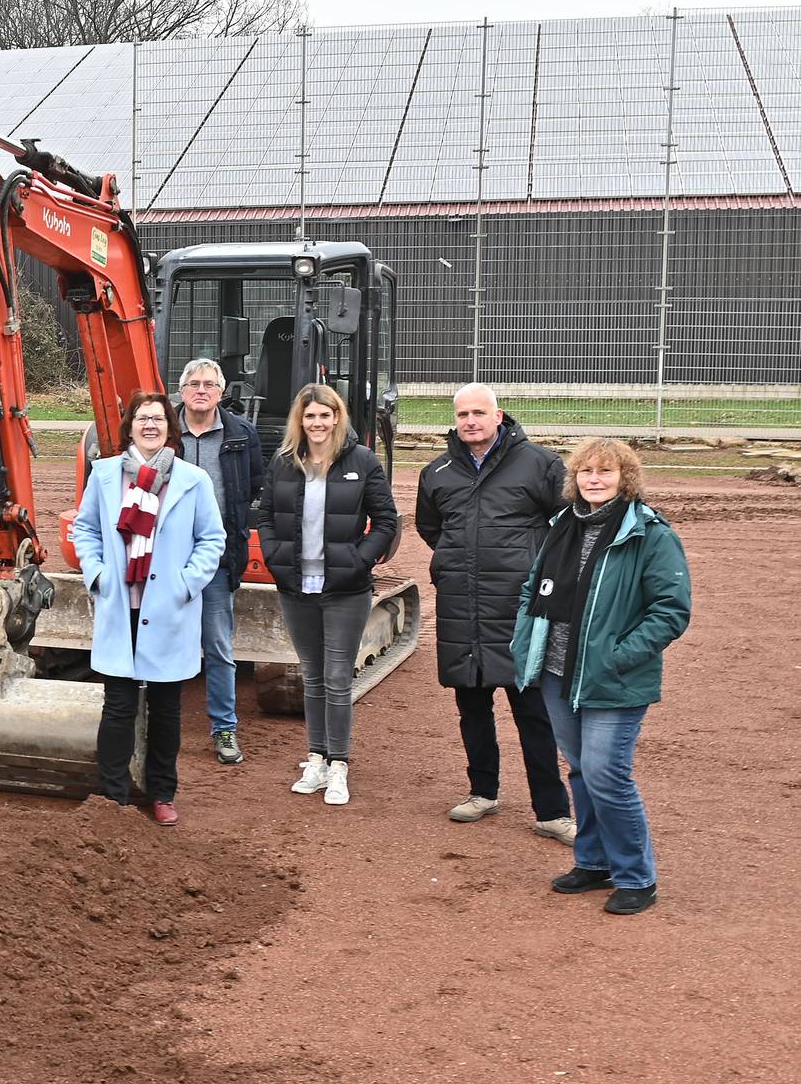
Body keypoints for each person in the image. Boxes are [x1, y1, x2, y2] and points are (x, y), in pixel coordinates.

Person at [511, 439, 690, 916]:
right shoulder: (562, 525)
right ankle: (593, 862)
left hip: (613, 678)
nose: (594, 479)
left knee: (607, 774)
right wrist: (526, 638)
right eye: (586, 471)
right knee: (581, 769)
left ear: (624, 478)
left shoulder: (649, 533)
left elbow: (671, 609)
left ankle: (636, 877)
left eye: (605, 471)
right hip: (557, 673)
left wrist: (616, 656)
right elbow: (533, 587)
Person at [415, 383, 574, 843]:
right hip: (462, 608)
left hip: (518, 610)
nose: (470, 421)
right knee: (472, 709)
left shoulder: (540, 464)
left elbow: (568, 522)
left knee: (533, 713)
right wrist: (456, 562)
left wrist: (532, 565)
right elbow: (431, 527)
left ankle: (551, 811)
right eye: (462, 414)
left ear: (498, 415)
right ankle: (482, 792)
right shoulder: (437, 471)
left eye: (479, 413)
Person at [72, 392, 227, 825]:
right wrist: (98, 574)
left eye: (158, 419)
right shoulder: (104, 474)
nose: (150, 426)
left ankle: (162, 792)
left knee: (165, 709)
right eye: (143, 418)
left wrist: (186, 583)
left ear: (170, 428)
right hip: (120, 603)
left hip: (168, 608)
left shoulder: (192, 480)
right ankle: (113, 796)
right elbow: (85, 529)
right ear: (130, 427)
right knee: (118, 707)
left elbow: (211, 539)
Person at [254, 384, 398, 808]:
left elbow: (386, 522)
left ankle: (339, 763)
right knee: (312, 677)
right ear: (299, 421)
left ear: (337, 418)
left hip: (345, 589)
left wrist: (358, 561)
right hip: (296, 585)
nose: (317, 423)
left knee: (337, 678)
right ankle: (316, 757)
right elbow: (266, 516)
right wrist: (275, 557)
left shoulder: (362, 462)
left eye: (324, 415)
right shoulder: (284, 462)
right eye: (309, 416)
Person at [173, 358, 266, 765]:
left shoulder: (241, 434)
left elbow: (253, 486)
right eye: (194, 383)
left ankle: (224, 727)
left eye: (209, 384)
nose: (201, 390)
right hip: (166, 560)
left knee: (217, 646)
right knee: (159, 642)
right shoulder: (163, 430)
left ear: (221, 391)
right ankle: (153, 725)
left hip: (217, 558)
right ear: (181, 391)